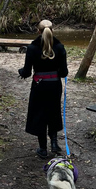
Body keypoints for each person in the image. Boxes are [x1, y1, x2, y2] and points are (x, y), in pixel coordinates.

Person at [18, 20, 68, 159]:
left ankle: (42, 149)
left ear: (38, 31)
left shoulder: (32, 48)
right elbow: (64, 73)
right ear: (53, 31)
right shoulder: (59, 47)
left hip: (39, 86)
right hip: (54, 86)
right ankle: (54, 143)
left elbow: (27, 72)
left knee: (40, 114)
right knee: (53, 112)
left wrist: (20, 71)